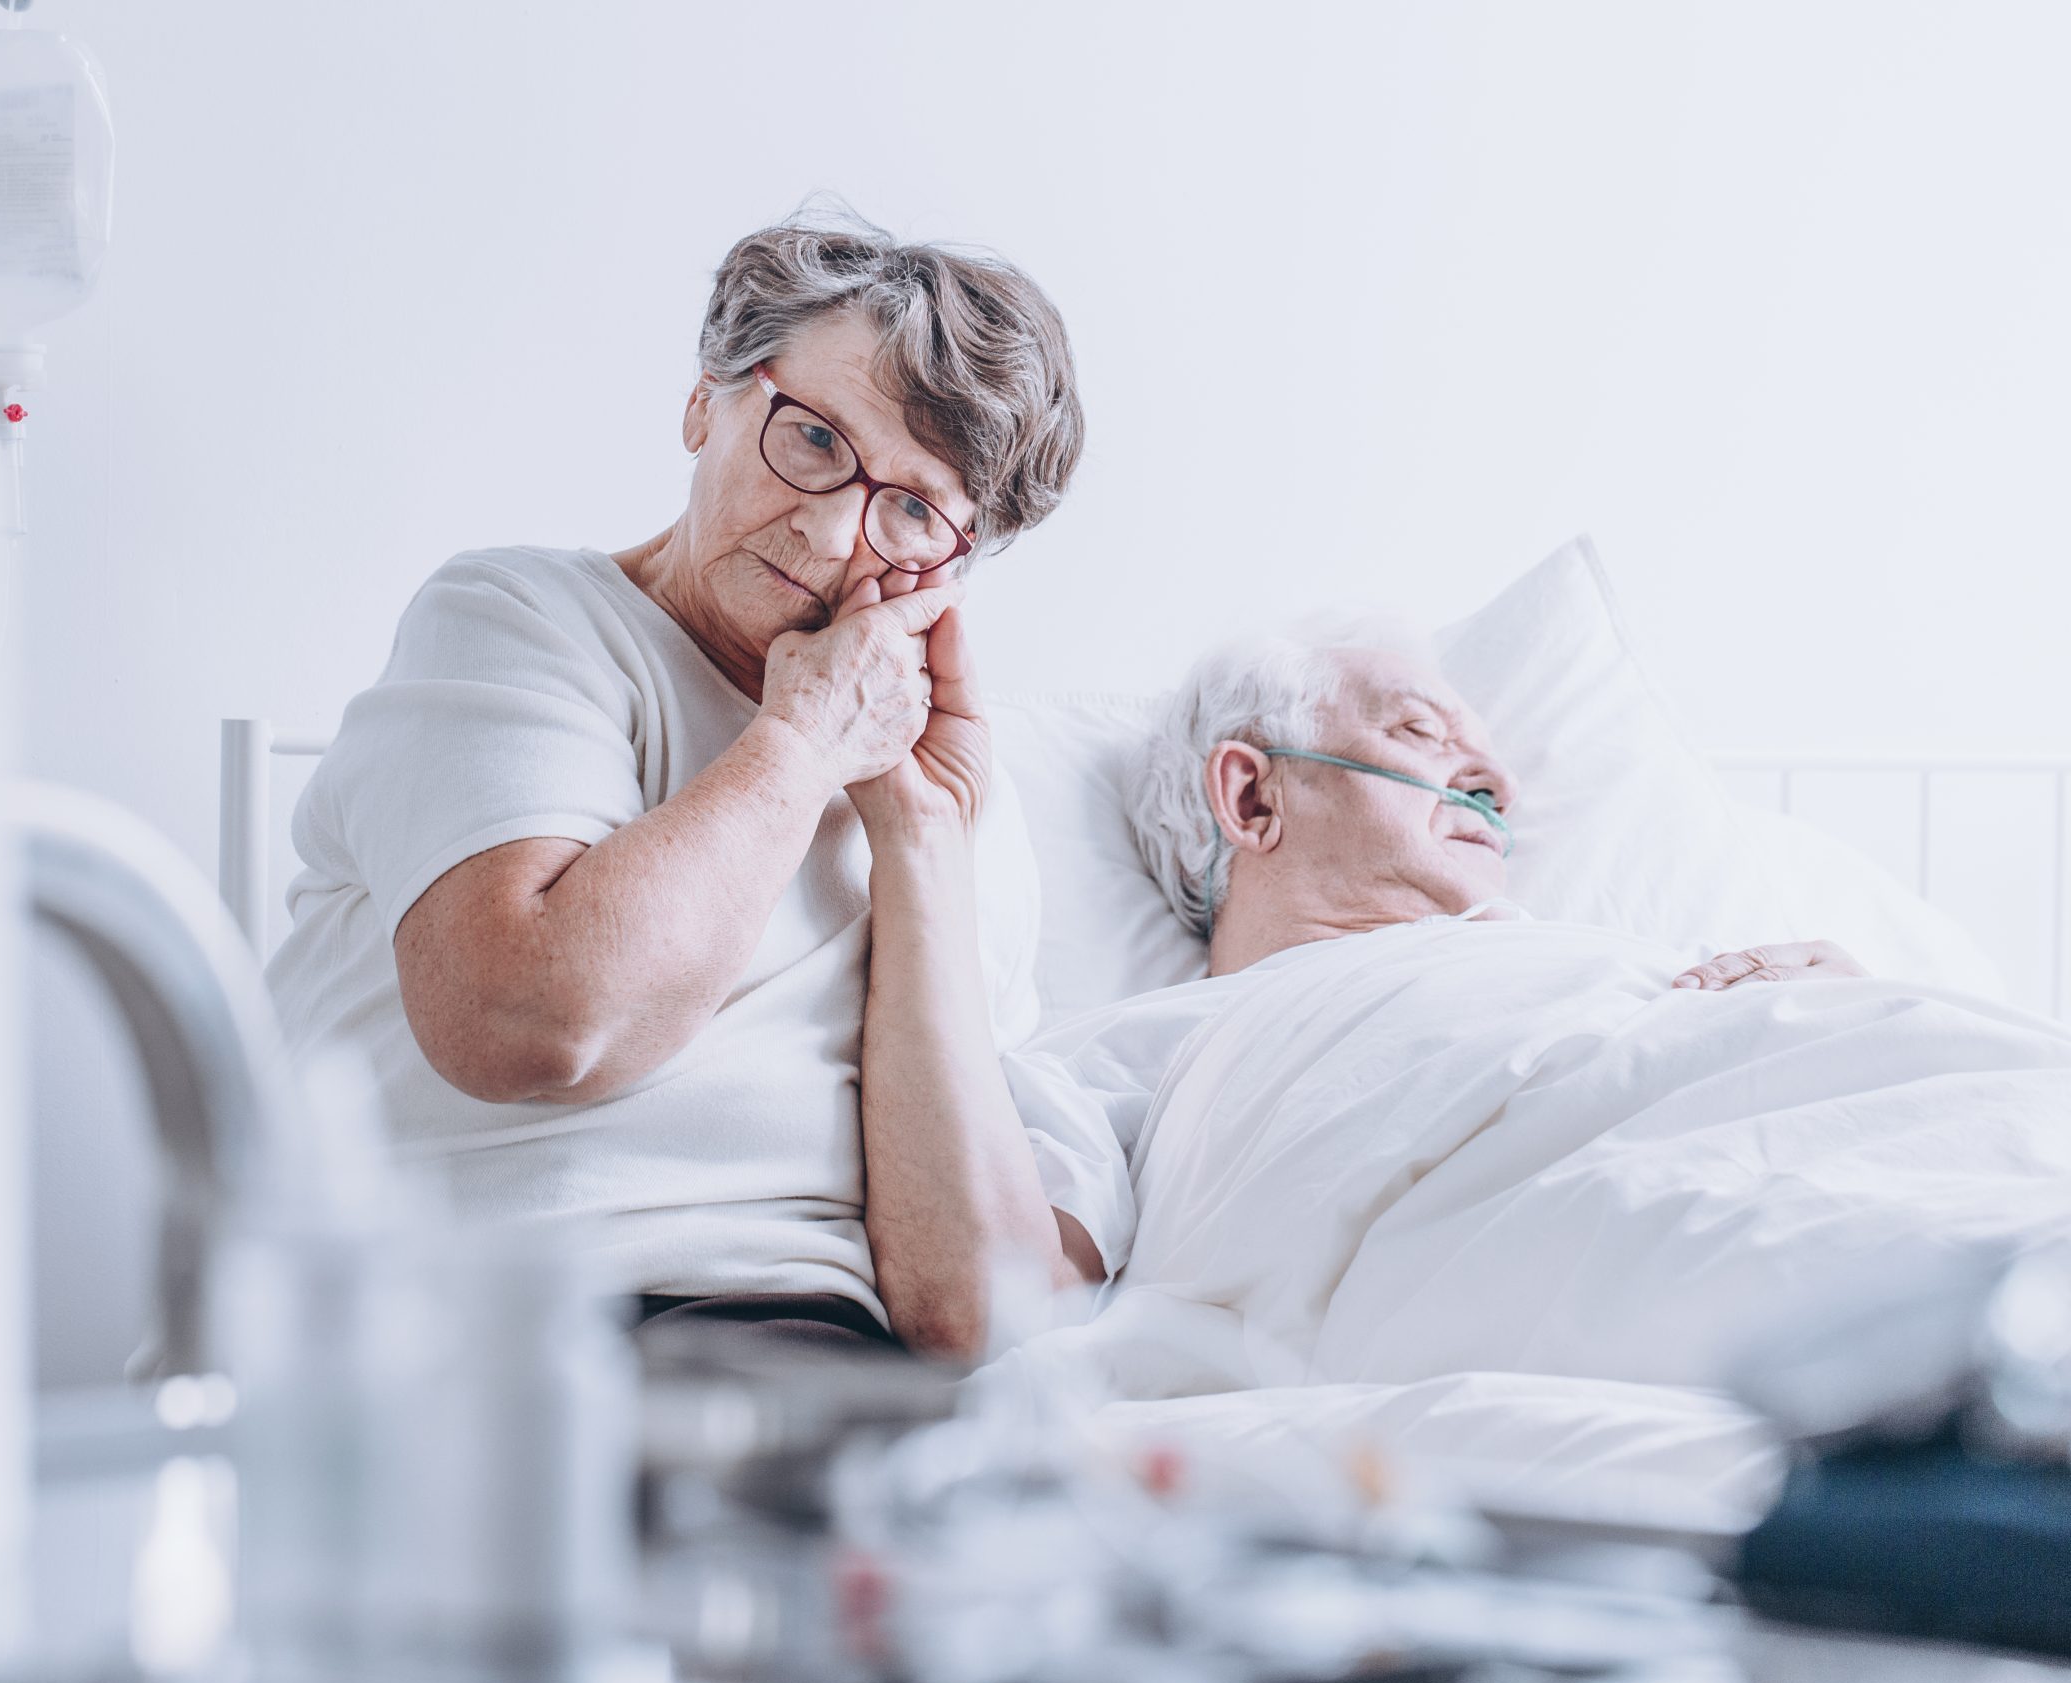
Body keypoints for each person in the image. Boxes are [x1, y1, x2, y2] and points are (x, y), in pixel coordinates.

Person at [264, 207, 1085, 1356]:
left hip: (815, 1370)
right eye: (812, 439)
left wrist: (919, 843)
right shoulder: (521, 621)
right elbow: (531, 1023)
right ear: (708, 400)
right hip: (482, 1339)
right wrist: (801, 743)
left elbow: (981, 1317)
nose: (834, 530)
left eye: (910, 509)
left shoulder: (958, 816)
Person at [857, 630, 1870, 1324]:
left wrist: (1841, 1007)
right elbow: (989, 1298)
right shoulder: (1149, 1059)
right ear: (1252, 798)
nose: (1497, 785)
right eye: (1420, 734)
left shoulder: (1624, 961)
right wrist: (918, 837)